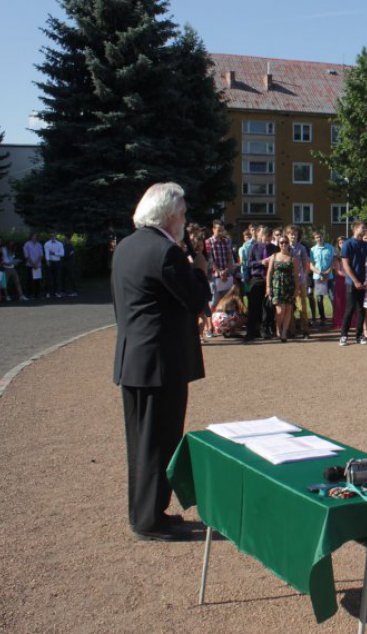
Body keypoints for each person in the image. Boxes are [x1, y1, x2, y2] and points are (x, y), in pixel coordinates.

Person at [112, 183, 209, 541]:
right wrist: (200, 270)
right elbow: (195, 299)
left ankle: (144, 513)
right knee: (161, 442)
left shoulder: (126, 246)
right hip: (161, 362)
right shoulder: (166, 251)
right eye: (182, 213)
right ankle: (151, 521)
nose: (184, 219)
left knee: (140, 444)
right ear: (168, 215)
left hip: (134, 358)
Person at [339, 222, 367, 346]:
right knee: (350, 309)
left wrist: (366, 280)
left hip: (364, 282)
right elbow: (345, 265)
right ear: (355, 228)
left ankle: (359, 336)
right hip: (351, 282)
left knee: (362, 310)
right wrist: (355, 281)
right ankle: (343, 336)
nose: (365, 229)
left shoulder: (366, 245)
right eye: (363, 227)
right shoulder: (347, 244)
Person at [266, 235, 301, 342]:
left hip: (289, 286)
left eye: (286, 242)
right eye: (281, 242)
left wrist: (296, 289)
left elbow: (296, 275)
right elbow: (269, 273)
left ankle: (284, 332)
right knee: (280, 310)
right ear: (279, 244)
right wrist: (268, 287)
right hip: (277, 286)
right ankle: (278, 327)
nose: (284, 244)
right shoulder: (274, 256)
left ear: (288, 243)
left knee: (288, 309)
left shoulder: (293, 258)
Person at [206, 219, 235, 313]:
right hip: (214, 277)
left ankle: (224, 320)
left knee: (227, 302)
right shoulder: (208, 242)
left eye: (222, 230)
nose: (220, 233)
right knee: (214, 302)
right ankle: (209, 320)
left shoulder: (226, 241)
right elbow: (210, 259)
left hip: (226, 276)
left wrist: (226, 271)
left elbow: (230, 257)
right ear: (213, 229)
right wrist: (219, 272)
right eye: (219, 230)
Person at [310, 230, 334, 324]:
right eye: (317, 237)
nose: (319, 238)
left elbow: (333, 261)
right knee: (319, 298)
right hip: (317, 277)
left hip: (329, 276)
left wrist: (327, 272)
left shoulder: (330, 248)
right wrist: (320, 273)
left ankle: (336, 318)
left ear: (323, 237)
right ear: (314, 239)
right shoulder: (312, 250)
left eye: (320, 237)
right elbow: (311, 265)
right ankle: (322, 318)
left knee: (332, 297)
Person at [23, 233, 44, 298]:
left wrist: (36, 263)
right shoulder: (27, 244)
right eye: (33, 236)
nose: (34, 237)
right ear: (30, 237)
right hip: (30, 265)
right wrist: (32, 264)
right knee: (29, 280)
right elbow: (26, 255)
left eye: (35, 236)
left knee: (37, 280)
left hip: (38, 265)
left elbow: (41, 255)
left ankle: (37, 294)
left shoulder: (39, 244)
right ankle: (30, 294)